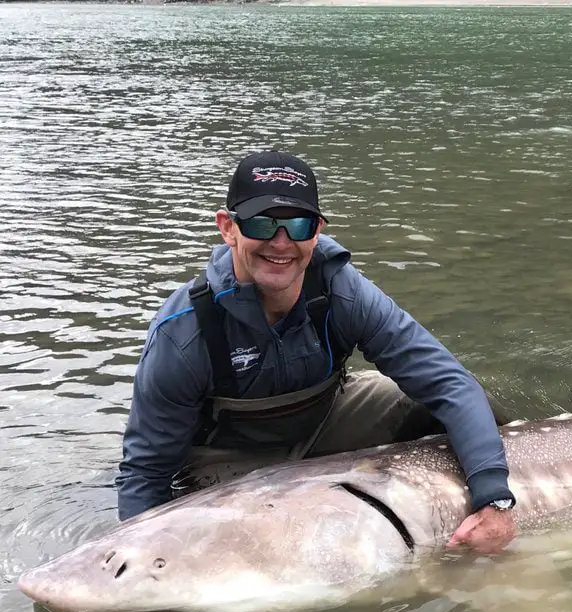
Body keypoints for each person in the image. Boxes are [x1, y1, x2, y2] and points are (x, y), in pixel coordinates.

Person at [115, 150, 517, 554]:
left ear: (318, 230)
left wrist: (494, 496)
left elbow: (448, 382)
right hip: (229, 459)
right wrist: (133, 557)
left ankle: (500, 509)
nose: (281, 242)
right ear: (228, 227)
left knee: (459, 401)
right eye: (262, 223)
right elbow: (146, 472)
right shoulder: (184, 330)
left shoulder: (341, 288)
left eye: (298, 225)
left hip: (324, 422)